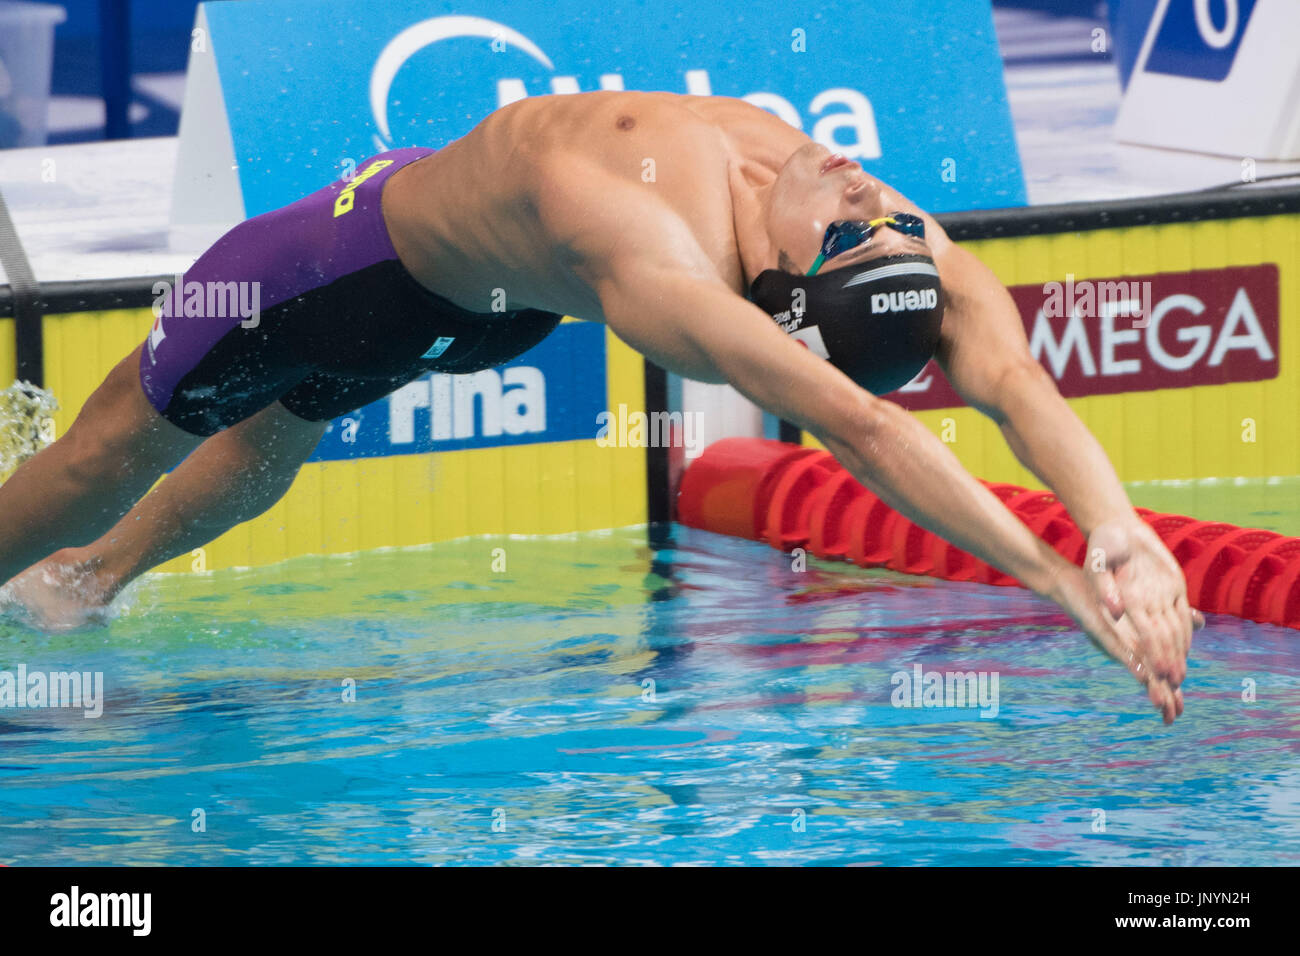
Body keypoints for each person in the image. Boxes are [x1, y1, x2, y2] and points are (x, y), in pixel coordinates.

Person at [0, 91, 1199, 721]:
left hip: (417, 283)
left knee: (199, 435)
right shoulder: (745, 214)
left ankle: (74, 568)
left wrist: (1085, 558)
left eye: (852, 227)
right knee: (214, 437)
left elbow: (932, 408)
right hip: (408, 284)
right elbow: (942, 398)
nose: (868, 196)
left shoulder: (683, 261)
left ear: (782, 291)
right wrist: (1090, 550)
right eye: (878, 223)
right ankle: (73, 572)